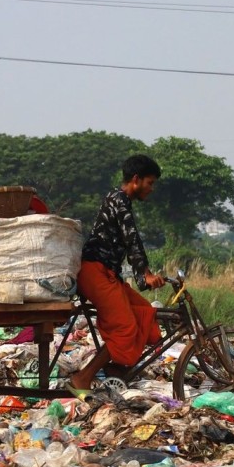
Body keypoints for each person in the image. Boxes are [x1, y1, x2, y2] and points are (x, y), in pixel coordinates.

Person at [68, 154, 166, 393]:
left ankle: (117, 369)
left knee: (144, 313)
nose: (151, 189)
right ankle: (83, 378)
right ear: (136, 179)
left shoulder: (122, 200)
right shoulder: (118, 199)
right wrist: (145, 274)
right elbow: (131, 238)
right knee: (124, 328)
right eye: (150, 183)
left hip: (108, 274)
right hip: (94, 272)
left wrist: (146, 274)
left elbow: (129, 240)